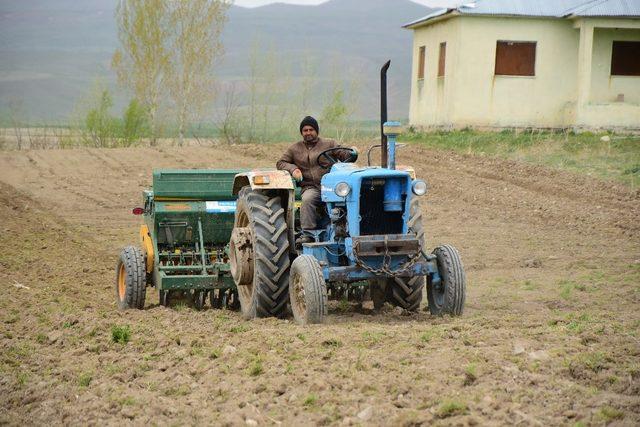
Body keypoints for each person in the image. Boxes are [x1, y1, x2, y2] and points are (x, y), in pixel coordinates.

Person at [276, 116, 353, 240]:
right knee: (307, 199)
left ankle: (348, 229)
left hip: (332, 186)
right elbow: (281, 163)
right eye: (305, 130)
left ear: (316, 131)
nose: (308, 133)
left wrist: (351, 152)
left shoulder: (330, 144)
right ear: (301, 132)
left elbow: (344, 154)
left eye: (311, 129)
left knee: (350, 198)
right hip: (311, 187)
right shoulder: (294, 148)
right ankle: (308, 234)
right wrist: (293, 169)